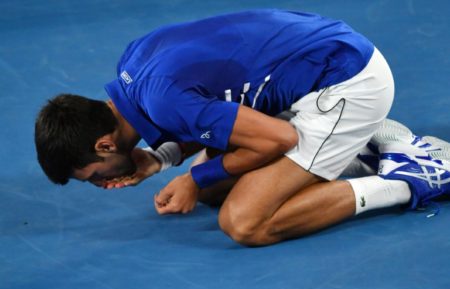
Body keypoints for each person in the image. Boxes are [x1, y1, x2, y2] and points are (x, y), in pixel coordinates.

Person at [35, 9, 450, 246]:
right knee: (219, 188)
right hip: (319, 57)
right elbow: (203, 102)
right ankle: (362, 146)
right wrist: (161, 160)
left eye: (93, 178)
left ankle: (411, 178)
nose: (103, 185)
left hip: (348, 84)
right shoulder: (133, 66)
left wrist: (195, 178)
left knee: (245, 220)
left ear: (105, 145)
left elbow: (279, 139)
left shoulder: (163, 101)